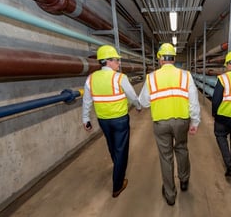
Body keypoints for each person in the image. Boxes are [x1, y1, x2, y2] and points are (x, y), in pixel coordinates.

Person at [139, 43, 200, 206]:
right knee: (182, 149)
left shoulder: (151, 77)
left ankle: (170, 194)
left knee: (165, 157)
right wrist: (195, 121)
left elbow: (144, 102)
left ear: (160, 59)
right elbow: (193, 101)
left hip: (161, 123)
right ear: (173, 58)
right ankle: (184, 180)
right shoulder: (186, 75)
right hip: (181, 121)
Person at [82, 44, 141, 198]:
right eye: (116, 60)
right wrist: (138, 106)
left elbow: (87, 101)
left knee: (112, 146)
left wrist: (85, 118)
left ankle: (117, 168)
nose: (118, 63)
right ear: (107, 61)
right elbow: (132, 96)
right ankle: (117, 185)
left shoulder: (91, 78)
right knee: (122, 150)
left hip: (103, 120)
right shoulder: (120, 77)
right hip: (120, 119)